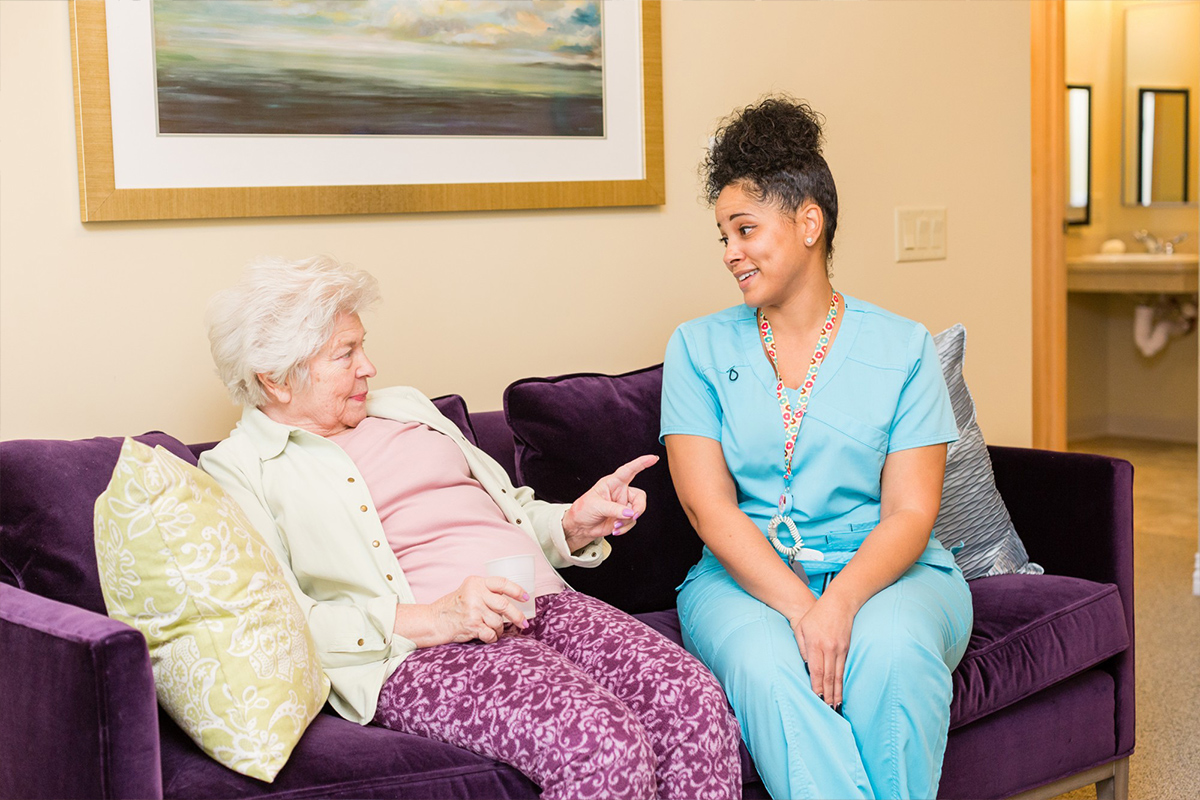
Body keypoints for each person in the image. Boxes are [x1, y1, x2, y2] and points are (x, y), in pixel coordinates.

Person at [199, 256, 741, 800]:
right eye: (346, 354)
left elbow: (509, 510)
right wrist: (435, 617)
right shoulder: (240, 468)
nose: (370, 366)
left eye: (362, 346)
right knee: (601, 745)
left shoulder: (406, 409)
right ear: (276, 379)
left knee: (691, 701)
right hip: (429, 649)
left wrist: (572, 523)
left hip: (542, 600)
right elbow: (278, 621)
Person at [660, 97, 974, 800]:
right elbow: (710, 510)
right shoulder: (697, 348)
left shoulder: (902, 348)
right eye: (722, 236)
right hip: (745, 580)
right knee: (772, 671)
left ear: (809, 223)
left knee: (890, 653)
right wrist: (806, 610)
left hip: (896, 572)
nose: (730, 253)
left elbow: (911, 512)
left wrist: (840, 606)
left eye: (745, 229)